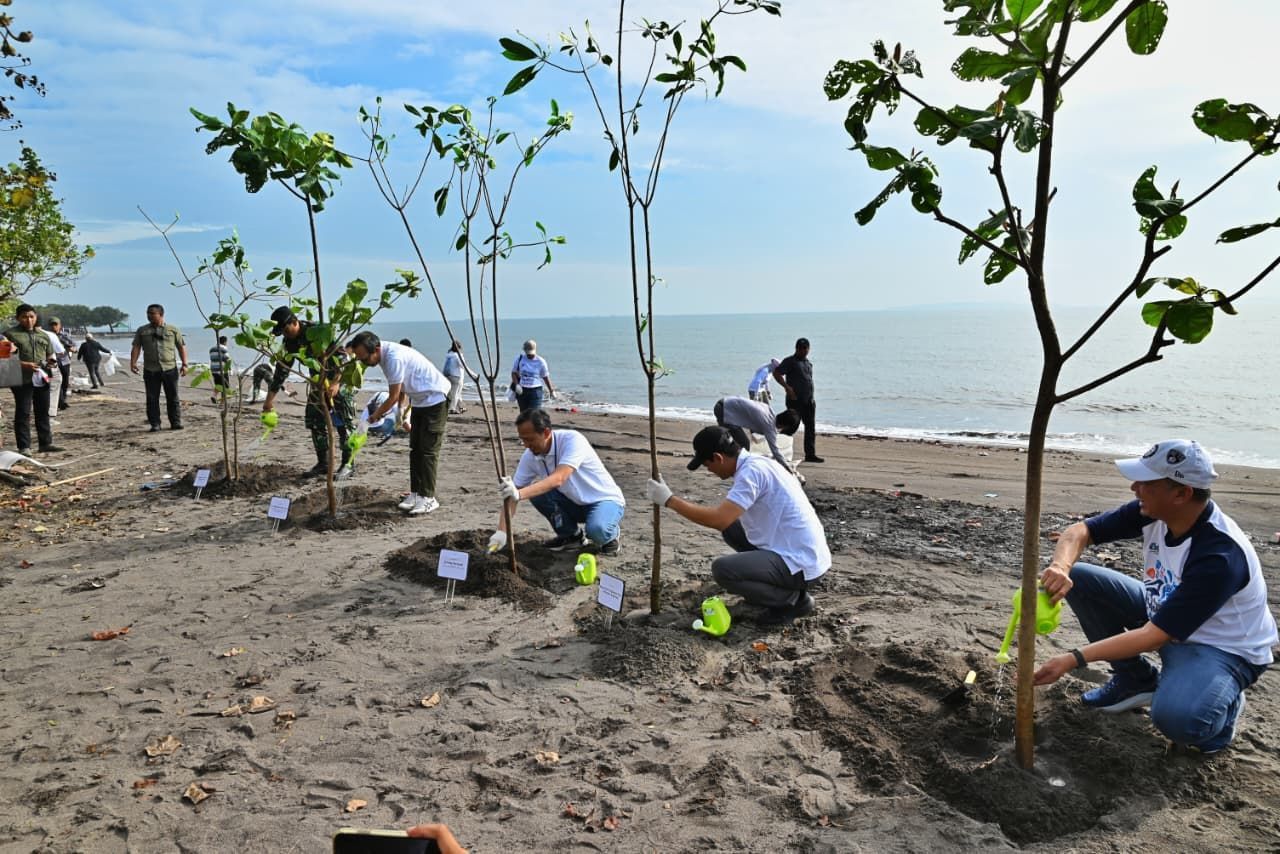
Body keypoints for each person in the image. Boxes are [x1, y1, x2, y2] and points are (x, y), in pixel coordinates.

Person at [1032, 439, 1277, 754]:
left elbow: (1153, 637)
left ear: (1181, 493)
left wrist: (1072, 659)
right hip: (1163, 613)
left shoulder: (1220, 555)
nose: (1134, 487)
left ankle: (1220, 710)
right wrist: (1061, 566)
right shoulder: (1152, 512)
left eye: (1146, 483)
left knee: (1176, 719)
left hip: (1223, 648)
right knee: (1078, 579)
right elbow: (1080, 532)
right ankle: (1134, 680)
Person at [645, 425, 830, 624]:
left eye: (708, 465)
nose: (710, 471)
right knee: (731, 530)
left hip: (802, 563)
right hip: (803, 551)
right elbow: (726, 520)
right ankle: (767, 589)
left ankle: (793, 600)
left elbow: (719, 519)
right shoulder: (758, 462)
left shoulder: (750, 474)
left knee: (723, 570)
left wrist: (670, 500)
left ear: (718, 457)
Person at [488, 408, 625, 556]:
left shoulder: (572, 440)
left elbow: (559, 478)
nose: (526, 445)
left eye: (530, 439)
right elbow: (512, 496)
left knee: (597, 531)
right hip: (573, 502)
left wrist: (519, 493)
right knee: (537, 494)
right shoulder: (530, 456)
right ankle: (572, 536)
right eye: (523, 439)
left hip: (603, 500)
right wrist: (501, 532)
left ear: (546, 433)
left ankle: (611, 535)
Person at [348, 331, 451, 515]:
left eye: (365, 358)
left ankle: (428, 498)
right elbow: (400, 388)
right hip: (419, 400)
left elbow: (393, 395)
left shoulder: (393, 357)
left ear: (376, 349)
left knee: (427, 450)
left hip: (436, 398)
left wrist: (374, 416)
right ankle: (416, 493)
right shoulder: (384, 357)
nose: (364, 363)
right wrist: (401, 413)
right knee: (415, 449)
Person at [264, 306, 356, 479]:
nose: (284, 334)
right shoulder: (289, 344)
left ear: (294, 322)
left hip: (339, 380)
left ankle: (348, 464)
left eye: (285, 329)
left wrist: (336, 383)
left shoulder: (318, 331)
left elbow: (343, 357)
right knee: (314, 421)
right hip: (318, 383)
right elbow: (281, 372)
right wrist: (269, 401)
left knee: (345, 424)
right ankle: (324, 464)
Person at [4, 304, 63, 454]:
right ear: (18, 318)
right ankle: (24, 447)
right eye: (24, 317)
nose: (28, 320)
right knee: (23, 412)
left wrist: (51, 362)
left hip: (42, 377)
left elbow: (50, 355)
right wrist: (24, 365)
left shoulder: (43, 335)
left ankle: (45, 443)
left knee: (43, 410)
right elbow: (4, 358)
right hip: (20, 378)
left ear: (36, 317)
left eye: (31, 316)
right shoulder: (9, 335)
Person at [129, 303, 188, 432]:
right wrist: (133, 363)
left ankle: (175, 422)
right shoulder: (142, 330)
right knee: (152, 398)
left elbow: (181, 347)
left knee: (173, 397)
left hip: (170, 369)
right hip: (151, 370)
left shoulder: (173, 330)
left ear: (160, 314)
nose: (149, 316)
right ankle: (155, 424)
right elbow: (136, 347)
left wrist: (184, 364)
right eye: (147, 313)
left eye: (152, 313)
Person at [714, 395, 802, 477]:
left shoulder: (769, 411)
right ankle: (729, 466)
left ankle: (725, 461)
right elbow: (775, 451)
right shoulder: (768, 426)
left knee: (733, 441)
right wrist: (787, 467)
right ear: (785, 426)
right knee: (744, 445)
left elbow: (754, 420)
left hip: (725, 403)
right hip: (724, 411)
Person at [773, 337, 822, 463]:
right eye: (801, 349)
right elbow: (777, 373)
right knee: (792, 425)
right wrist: (787, 388)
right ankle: (777, 447)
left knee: (810, 427)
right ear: (796, 349)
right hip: (795, 400)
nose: (803, 351)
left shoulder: (808, 363)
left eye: (805, 349)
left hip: (809, 401)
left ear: (808, 349)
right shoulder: (790, 361)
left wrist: (811, 398)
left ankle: (810, 454)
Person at [510, 338, 556, 412]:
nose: (530, 355)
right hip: (522, 390)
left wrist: (551, 390)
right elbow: (514, 373)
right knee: (524, 414)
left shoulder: (541, 361)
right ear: (524, 351)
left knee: (534, 414)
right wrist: (517, 385)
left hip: (535, 391)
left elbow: (545, 377)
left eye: (531, 353)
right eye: (528, 353)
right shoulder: (519, 359)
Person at [47, 317, 76, 411]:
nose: (53, 326)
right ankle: (61, 402)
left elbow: (74, 346)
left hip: (65, 361)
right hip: (52, 361)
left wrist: (71, 348)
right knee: (56, 381)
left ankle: (63, 399)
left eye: (55, 324)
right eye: (52, 324)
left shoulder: (65, 335)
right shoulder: (47, 336)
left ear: (60, 325)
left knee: (65, 381)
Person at [443, 339, 467, 414]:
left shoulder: (449, 355)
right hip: (456, 376)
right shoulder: (457, 356)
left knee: (457, 392)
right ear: (459, 348)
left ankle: (461, 406)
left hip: (447, 375)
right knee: (456, 393)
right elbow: (463, 365)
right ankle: (451, 409)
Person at [208, 335, 231, 403]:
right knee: (225, 386)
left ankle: (214, 396)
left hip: (213, 369)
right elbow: (227, 359)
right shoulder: (224, 348)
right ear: (224, 342)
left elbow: (213, 358)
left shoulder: (211, 349)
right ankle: (222, 402)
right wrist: (229, 368)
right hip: (222, 370)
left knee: (218, 384)